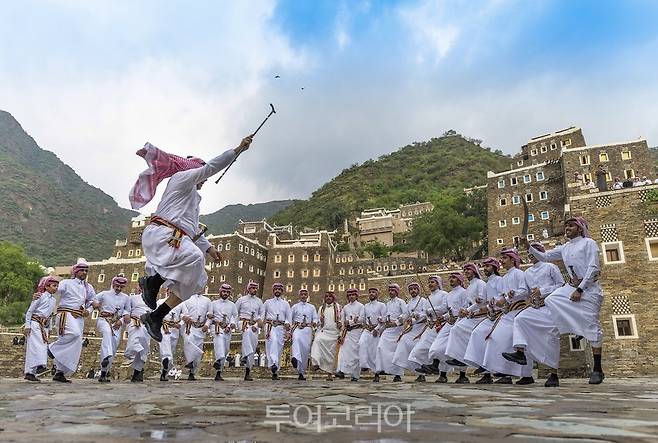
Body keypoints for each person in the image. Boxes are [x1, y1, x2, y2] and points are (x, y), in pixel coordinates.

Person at [137, 136, 253, 342]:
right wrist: (237, 151)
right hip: (162, 235)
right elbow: (209, 168)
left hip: (177, 238)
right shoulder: (181, 178)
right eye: (202, 176)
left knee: (198, 280)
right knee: (194, 258)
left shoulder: (193, 198)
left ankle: (156, 316)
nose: (205, 181)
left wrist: (209, 249)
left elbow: (191, 228)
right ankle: (152, 282)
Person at [522, 216, 605, 384]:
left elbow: (594, 267)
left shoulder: (589, 243)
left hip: (589, 289)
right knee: (552, 298)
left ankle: (597, 369)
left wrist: (580, 289)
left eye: (571, 225)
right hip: (571, 287)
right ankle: (574, 326)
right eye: (566, 225)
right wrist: (527, 246)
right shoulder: (565, 247)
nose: (567, 228)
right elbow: (544, 257)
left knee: (593, 328)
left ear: (580, 228)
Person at [502, 242, 565, 387]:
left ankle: (553, 374)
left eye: (534, 252)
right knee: (520, 319)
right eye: (529, 253)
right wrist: (513, 294)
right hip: (536, 308)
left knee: (551, 338)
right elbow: (525, 292)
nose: (531, 255)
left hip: (550, 308)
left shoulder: (550, 267)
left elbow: (561, 285)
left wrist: (543, 291)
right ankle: (520, 352)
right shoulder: (527, 272)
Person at [481, 248, 534, 384]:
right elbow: (502, 296)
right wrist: (496, 301)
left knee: (518, 342)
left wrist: (511, 295)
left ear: (512, 259)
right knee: (497, 339)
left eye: (504, 258)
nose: (502, 261)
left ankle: (526, 375)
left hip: (518, 311)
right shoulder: (504, 278)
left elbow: (524, 291)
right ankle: (504, 372)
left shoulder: (518, 274)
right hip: (508, 313)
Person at [48, 262, 95, 383]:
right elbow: (56, 291)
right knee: (74, 334)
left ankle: (60, 372)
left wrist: (88, 311)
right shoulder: (66, 283)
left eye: (86, 271)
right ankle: (52, 348)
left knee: (75, 344)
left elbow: (92, 302)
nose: (84, 273)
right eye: (81, 270)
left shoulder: (88, 287)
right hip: (66, 314)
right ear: (75, 272)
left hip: (79, 317)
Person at [444, 263, 488, 383]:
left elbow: (482, 301)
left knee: (459, 331)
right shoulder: (469, 287)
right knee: (456, 330)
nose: (466, 271)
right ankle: (459, 358)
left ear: (474, 271)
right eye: (464, 270)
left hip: (480, 317)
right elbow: (467, 303)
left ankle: (462, 359)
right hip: (470, 318)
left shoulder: (480, 283)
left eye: (468, 269)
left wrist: (467, 310)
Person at [463, 257, 504, 384]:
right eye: (484, 266)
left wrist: (493, 303)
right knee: (477, 334)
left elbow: (503, 296)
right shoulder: (487, 282)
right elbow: (484, 301)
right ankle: (484, 368)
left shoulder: (499, 280)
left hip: (501, 315)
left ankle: (503, 374)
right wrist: (482, 305)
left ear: (495, 267)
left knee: (495, 341)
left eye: (488, 266)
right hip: (490, 315)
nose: (485, 269)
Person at [425, 273, 467, 382]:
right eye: (450, 278)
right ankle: (436, 365)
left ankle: (462, 376)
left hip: (460, 322)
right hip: (449, 323)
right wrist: (443, 317)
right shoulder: (449, 294)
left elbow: (465, 307)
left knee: (459, 348)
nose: (451, 280)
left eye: (454, 278)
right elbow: (447, 309)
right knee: (437, 345)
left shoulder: (464, 292)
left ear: (459, 280)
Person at [409, 276, 449, 382]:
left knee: (439, 351)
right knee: (418, 350)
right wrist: (417, 317)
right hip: (430, 327)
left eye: (432, 282)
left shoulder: (444, 294)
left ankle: (443, 375)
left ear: (438, 283)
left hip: (441, 326)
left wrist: (430, 310)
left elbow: (444, 308)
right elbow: (425, 314)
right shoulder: (428, 298)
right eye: (429, 282)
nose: (430, 284)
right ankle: (423, 372)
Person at [92, 276, 130, 383]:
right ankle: (106, 355)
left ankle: (104, 371)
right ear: (113, 284)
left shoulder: (126, 297)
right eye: (117, 286)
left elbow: (127, 311)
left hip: (116, 324)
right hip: (104, 320)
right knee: (107, 333)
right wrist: (94, 304)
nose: (118, 288)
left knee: (114, 345)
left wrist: (121, 321)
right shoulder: (104, 294)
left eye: (121, 287)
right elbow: (92, 299)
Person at [23, 276, 59, 382]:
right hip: (35, 324)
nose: (56, 288)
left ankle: (30, 372)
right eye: (54, 285)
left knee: (41, 346)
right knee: (36, 346)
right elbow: (30, 311)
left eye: (57, 286)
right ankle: (39, 366)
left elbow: (50, 315)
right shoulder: (40, 296)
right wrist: (27, 325)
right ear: (46, 286)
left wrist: (50, 327)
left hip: (44, 326)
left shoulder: (53, 300)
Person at [392, 282, 429, 380]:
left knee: (416, 348)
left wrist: (418, 316)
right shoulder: (408, 303)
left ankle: (422, 374)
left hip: (421, 328)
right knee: (402, 341)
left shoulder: (423, 300)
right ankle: (398, 372)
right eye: (411, 289)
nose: (413, 291)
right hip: (412, 328)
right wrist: (400, 318)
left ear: (418, 290)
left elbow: (426, 313)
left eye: (415, 289)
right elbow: (406, 314)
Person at [374, 284, 409, 383]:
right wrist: (380, 323)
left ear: (396, 292)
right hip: (388, 330)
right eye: (389, 290)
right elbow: (385, 316)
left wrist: (397, 322)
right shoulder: (387, 304)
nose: (391, 292)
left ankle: (397, 375)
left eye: (393, 290)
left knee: (396, 352)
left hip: (397, 330)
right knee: (380, 347)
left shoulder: (401, 302)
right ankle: (380, 370)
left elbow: (405, 314)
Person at [262, 283, 292, 380]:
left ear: (282, 291)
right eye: (276, 289)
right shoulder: (267, 302)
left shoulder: (286, 304)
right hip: (270, 326)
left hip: (280, 327)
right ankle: (273, 363)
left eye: (279, 289)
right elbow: (262, 315)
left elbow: (288, 317)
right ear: (273, 290)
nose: (277, 291)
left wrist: (287, 324)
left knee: (279, 348)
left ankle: (275, 370)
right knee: (273, 341)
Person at [208, 283, 238, 381]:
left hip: (227, 329)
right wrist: (209, 316)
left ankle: (218, 371)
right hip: (216, 327)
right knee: (219, 341)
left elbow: (234, 317)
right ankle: (218, 359)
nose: (225, 293)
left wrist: (231, 325)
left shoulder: (232, 305)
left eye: (227, 292)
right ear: (220, 292)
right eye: (224, 291)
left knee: (225, 349)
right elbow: (209, 314)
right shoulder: (213, 303)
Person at [235, 282, 263, 381]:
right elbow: (235, 312)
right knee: (246, 332)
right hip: (243, 323)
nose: (255, 290)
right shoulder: (241, 300)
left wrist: (256, 325)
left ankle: (247, 370)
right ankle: (244, 355)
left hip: (254, 325)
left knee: (253, 346)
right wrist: (234, 324)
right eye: (253, 288)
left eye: (256, 288)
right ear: (248, 289)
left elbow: (261, 315)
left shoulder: (259, 301)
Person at [336, 288, 365, 382]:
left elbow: (362, 319)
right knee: (343, 351)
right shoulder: (345, 307)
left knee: (356, 353)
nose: (351, 296)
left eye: (353, 295)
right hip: (347, 333)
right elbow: (342, 320)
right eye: (349, 295)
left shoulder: (361, 306)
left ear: (356, 296)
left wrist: (351, 322)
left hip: (357, 332)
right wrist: (342, 327)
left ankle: (355, 375)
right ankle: (341, 370)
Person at [310, 291, 342, 379]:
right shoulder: (321, 308)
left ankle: (329, 374)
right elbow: (319, 322)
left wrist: (340, 331)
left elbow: (341, 320)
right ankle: (315, 363)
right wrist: (320, 321)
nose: (328, 298)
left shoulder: (338, 307)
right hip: (324, 332)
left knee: (332, 354)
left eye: (330, 296)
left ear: (333, 298)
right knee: (317, 340)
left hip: (335, 333)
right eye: (326, 296)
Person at [181, 293, 212, 380]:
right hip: (189, 327)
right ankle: (189, 361)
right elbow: (181, 312)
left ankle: (192, 372)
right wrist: (184, 317)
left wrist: (207, 325)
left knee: (198, 353)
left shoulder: (207, 301)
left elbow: (210, 316)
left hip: (201, 329)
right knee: (188, 341)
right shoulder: (187, 298)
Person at [290, 289, 319, 380]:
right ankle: (294, 358)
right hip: (297, 328)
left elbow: (315, 318)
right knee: (296, 340)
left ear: (307, 296)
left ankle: (301, 372)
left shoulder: (312, 307)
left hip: (307, 330)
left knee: (305, 351)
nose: (303, 296)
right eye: (301, 294)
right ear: (299, 296)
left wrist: (314, 322)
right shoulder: (295, 307)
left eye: (305, 294)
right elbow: (290, 318)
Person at [123, 291, 151, 382]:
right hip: (134, 321)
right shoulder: (133, 298)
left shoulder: (152, 300)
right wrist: (126, 314)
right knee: (135, 339)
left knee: (144, 345)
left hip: (146, 324)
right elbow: (126, 309)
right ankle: (130, 354)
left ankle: (137, 372)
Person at [358, 287, 387, 375]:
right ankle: (364, 365)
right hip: (367, 330)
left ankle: (377, 372)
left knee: (374, 351)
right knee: (361, 343)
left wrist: (376, 329)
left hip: (376, 330)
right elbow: (363, 318)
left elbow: (384, 318)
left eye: (373, 292)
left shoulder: (382, 305)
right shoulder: (365, 306)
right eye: (370, 292)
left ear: (377, 294)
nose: (371, 294)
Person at [157, 292, 184, 381]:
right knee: (165, 348)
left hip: (175, 330)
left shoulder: (181, 303)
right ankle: (166, 360)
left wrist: (180, 324)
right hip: (164, 328)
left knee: (171, 349)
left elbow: (184, 315)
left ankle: (164, 371)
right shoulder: (160, 302)